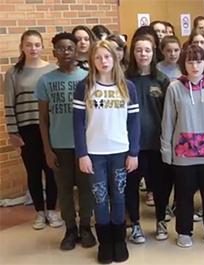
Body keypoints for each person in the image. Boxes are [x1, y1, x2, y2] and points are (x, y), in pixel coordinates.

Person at [73, 40, 140, 264]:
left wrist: (134, 152)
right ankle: (106, 244)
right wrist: (82, 154)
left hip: (120, 152)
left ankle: (119, 242)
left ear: (115, 58)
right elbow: (78, 123)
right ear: (92, 60)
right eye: (98, 57)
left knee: (119, 197)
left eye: (107, 56)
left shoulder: (127, 86)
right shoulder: (85, 87)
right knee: (100, 198)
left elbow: (134, 122)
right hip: (94, 154)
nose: (103, 61)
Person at [160, 45, 204, 248]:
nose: (195, 66)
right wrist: (166, 149)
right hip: (183, 154)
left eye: (199, 61)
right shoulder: (174, 88)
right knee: (183, 195)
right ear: (184, 64)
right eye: (190, 61)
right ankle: (184, 230)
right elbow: (168, 121)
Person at [35, 32, 93, 250]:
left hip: (84, 146)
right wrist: (48, 150)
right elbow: (42, 118)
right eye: (61, 48)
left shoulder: (87, 78)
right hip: (59, 146)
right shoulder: (46, 80)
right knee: (65, 190)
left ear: (77, 50)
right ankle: (70, 229)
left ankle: (86, 227)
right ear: (54, 53)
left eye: (70, 48)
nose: (66, 52)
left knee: (86, 189)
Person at [3, 30, 61, 230]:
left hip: (51, 128)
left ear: (42, 46)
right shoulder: (13, 73)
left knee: (52, 170)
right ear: (22, 47)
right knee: (33, 172)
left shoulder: (53, 69)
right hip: (26, 130)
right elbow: (9, 105)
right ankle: (39, 212)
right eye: (29, 44)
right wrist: (13, 133)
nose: (33, 48)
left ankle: (52, 211)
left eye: (37, 44)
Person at [124, 35, 171, 243]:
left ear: (153, 53)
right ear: (133, 53)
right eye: (139, 50)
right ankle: (135, 224)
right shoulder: (123, 79)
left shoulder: (161, 79)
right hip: (131, 145)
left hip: (156, 143)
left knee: (159, 185)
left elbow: (169, 114)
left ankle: (161, 220)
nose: (143, 54)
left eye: (147, 50)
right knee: (131, 186)